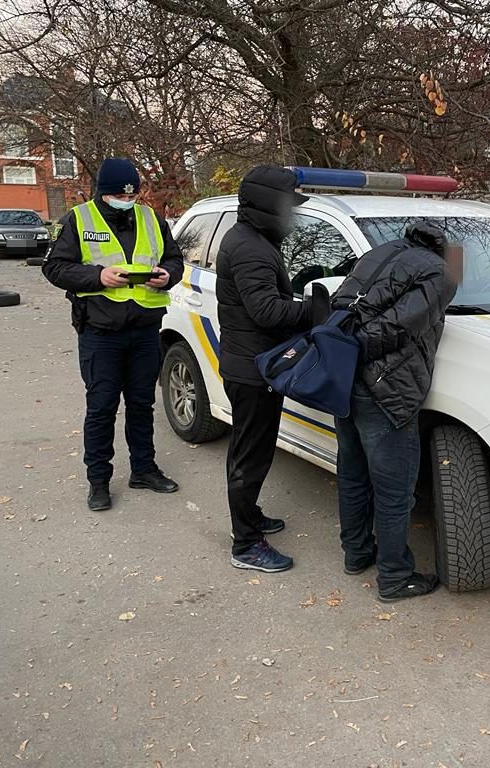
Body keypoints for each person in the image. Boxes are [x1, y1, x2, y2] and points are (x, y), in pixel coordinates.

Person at [43, 157, 184, 512]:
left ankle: (144, 469)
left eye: (133, 193)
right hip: (100, 332)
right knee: (102, 407)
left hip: (145, 329)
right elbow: (54, 267)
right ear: (103, 193)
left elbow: (174, 259)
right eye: (119, 194)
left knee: (142, 404)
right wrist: (98, 277)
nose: (127, 198)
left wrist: (167, 275)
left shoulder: (152, 218)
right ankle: (99, 481)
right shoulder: (77, 219)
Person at [331, 223, 459, 601]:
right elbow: (399, 325)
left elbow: (342, 305)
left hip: (343, 379)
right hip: (386, 389)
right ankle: (394, 577)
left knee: (353, 475)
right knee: (394, 491)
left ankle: (356, 555)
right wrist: (358, 348)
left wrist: (345, 352)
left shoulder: (378, 253)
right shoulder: (441, 272)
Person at [216, 165, 330, 573]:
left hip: (251, 362)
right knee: (250, 455)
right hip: (252, 369)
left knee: (256, 450)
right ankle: (246, 544)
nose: (292, 216)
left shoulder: (253, 238)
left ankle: (251, 517)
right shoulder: (249, 247)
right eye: (287, 207)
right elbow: (266, 310)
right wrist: (315, 311)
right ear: (267, 205)